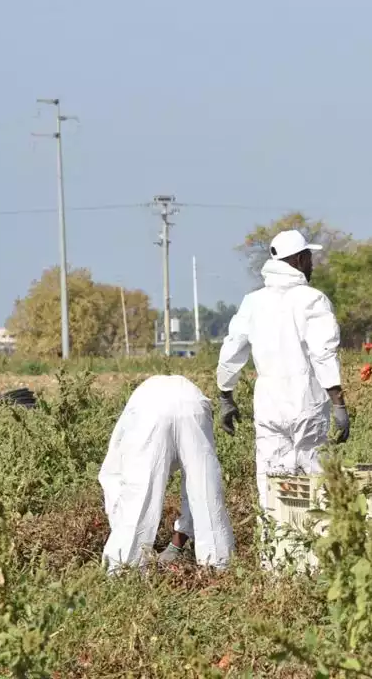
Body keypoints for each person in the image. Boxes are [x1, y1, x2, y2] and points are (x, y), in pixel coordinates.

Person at [217, 229, 350, 516]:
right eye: (310, 257)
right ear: (300, 259)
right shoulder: (312, 299)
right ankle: (317, 554)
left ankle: (274, 556)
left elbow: (232, 349)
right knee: (315, 482)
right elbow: (323, 353)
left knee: (272, 484)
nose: (313, 263)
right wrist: (338, 404)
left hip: (268, 406)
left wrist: (225, 395)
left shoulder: (253, 302)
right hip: (307, 405)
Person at [99, 375, 235, 573]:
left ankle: (124, 568)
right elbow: (195, 492)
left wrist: (126, 534)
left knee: (138, 492)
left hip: (151, 407)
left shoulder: (116, 466)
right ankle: (218, 565)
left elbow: (125, 494)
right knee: (204, 486)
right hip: (193, 402)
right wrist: (177, 543)